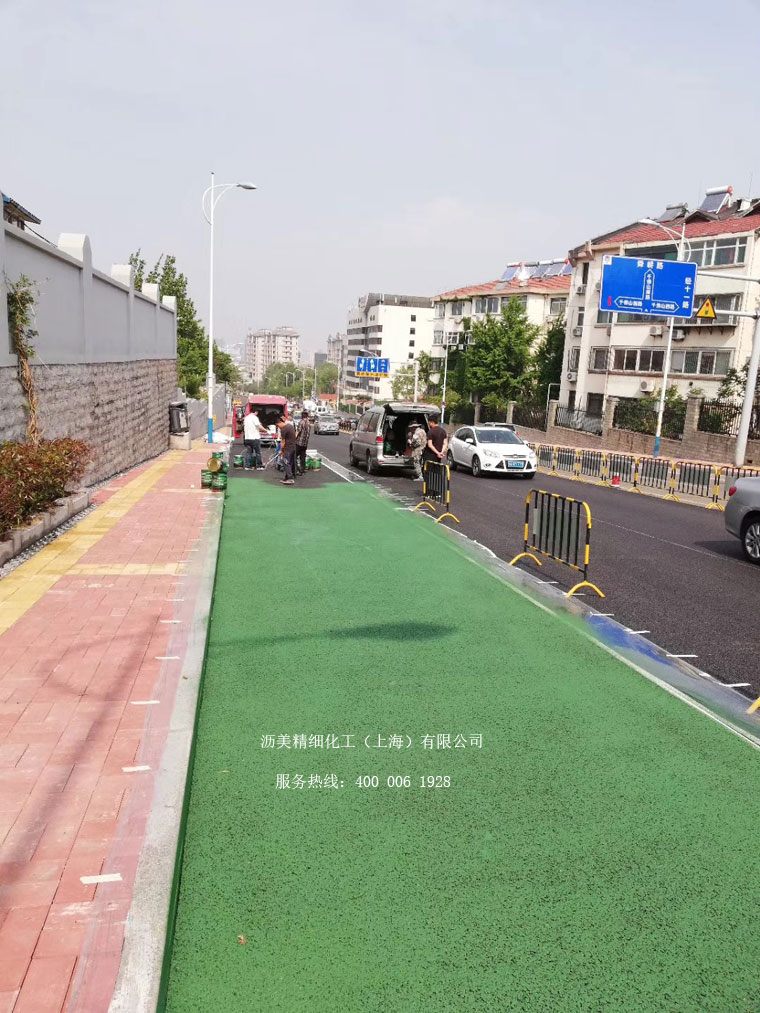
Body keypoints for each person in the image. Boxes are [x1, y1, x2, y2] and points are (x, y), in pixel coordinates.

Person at [277, 415, 297, 485]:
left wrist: (281, 450)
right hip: (293, 447)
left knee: (285, 462)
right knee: (290, 462)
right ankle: (287, 477)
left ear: (279, 423)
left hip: (288, 448)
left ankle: (290, 478)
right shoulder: (290, 426)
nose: (278, 427)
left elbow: (283, 441)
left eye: (278, 425)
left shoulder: (284, 429)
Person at [296, 410, 311, 476]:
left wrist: (294, 438)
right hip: (305, 443)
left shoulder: (301, 422)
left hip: (299, 442)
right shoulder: (308, 423)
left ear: (302, 416)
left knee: (294, 456)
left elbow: (298, 431)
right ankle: (303, 470)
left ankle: (297, 469)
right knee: (302, 457)